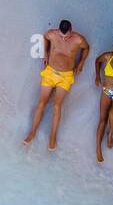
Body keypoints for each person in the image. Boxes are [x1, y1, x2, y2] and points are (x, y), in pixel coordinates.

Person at [24, 19, 90, 151]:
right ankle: (32, 133)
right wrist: (45, 53)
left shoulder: (78, 40)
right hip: (50, 72)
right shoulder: (52, 34)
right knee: (41, 103)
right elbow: (45, 37)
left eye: (67, 36)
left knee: (56, 105)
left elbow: (86, 48)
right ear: (58, 31)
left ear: (71, 31)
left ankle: (52, 136)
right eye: (61, 35)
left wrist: (81, 63)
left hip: (65, 76)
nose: (63, 38)